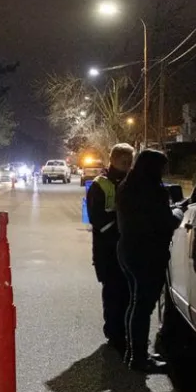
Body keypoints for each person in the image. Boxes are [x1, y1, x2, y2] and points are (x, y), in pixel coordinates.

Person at [115, 149, 183, 374]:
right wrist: (178, 213)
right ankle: (140, 359)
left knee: (135, 304)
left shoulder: (127, 187)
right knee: (143, 307)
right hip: (148, 255)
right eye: (162, 168)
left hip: (128, 251)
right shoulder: (154, 192)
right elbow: (165, 222)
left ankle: (133, 352)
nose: (164, 172)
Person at [87, 143, 135, 352]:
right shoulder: (100, 184)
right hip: (108, 249)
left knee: (129, 293)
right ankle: (115, 335)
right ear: (113, 160)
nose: (127, 166)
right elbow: (96, 218)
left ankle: (125, 333)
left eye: (130, 162)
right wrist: (119, 226)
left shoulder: (133, 182)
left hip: (128, 247)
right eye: (124, 162)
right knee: (113, 293)